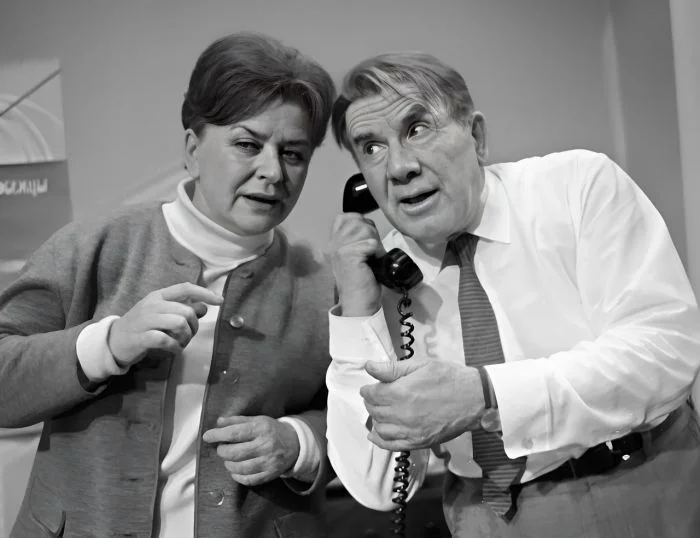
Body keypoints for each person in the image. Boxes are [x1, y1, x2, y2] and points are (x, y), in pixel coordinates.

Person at [325, 51, 700, 538]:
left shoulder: (577, 186)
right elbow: (377, 487)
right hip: (481, 515)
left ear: (477, 137)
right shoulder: (384, 277)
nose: (398, 167)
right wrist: (358, 310)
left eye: (417, 129)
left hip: (639, 484)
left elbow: (665, 353)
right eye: (372, 148)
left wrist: (487, 392)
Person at [1, 32, 336, 538]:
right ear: (192, 149)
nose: (272, 171)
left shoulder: (323, 286)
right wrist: (106, 344)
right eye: (247, 144)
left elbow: (362, 422)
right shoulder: (91, 246)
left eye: (293, 154)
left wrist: (300, 442)